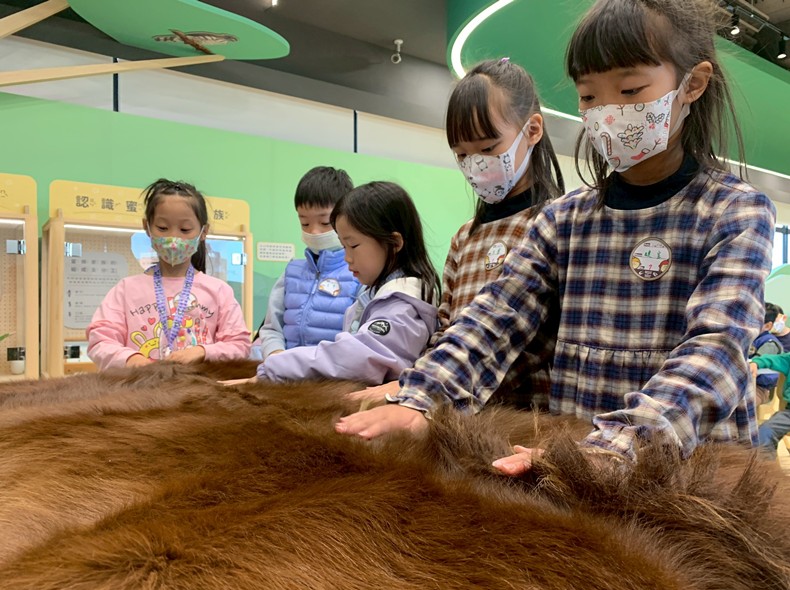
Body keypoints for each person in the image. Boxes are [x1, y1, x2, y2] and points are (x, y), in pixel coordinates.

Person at [337, 0, 775, 473]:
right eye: (588, 97)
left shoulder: (734, 210)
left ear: (692, 83)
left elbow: (716, 349)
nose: (608, 112)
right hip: (569, 461)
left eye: (629, 89)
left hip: (691, 474)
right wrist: (422, 398)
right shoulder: (564, 220)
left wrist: (618, 446)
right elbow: (496, 317)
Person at [345, 58, 564, 410]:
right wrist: (416, 382)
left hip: (524, 415)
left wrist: (439, 388)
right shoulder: (465, 236)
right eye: (462, 154)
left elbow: (536, 340)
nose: (476, 163)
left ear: (533, 130)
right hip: (451, 408)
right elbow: (444, 328)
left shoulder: (554, 223)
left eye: (489, 148)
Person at [229, 181, 440, 385]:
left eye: (353, 245)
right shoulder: (375, 292)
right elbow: (272, 327)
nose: (347, 257)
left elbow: (358, 357)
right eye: (304, 223)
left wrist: (279, 366)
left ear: (394, 243)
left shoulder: (401, 304)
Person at [87, 179, 250, 370]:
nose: (174, 239)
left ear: (203, 232)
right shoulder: (125, 290)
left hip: (200, 393)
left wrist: (202, 352)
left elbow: (240, 344)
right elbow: (100, 340)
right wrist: (132, 360)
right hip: (141, 391)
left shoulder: (219, 291)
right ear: (146, 227)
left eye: (185, 229)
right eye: (163, 228)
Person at [251, 166, 359, 360]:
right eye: (305, 223)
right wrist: (276, 356)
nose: (314, 232)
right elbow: (271, 328)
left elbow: (357, 341)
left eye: (325, 222)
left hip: (333, 377)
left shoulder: (358, 274)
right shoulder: (292, 271)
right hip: (286, 374)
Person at [750, 302, 783, 405]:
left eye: (753, 322)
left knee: (732, 403)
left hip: (758, 388)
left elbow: (754, 367)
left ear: (768, 326)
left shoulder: (770, 343)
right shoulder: (748, 338)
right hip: (742, 385)